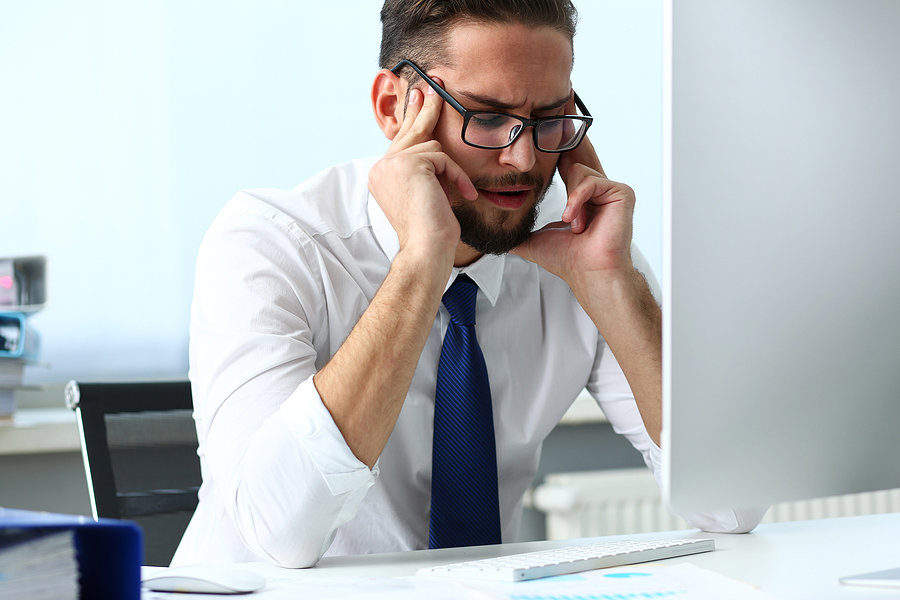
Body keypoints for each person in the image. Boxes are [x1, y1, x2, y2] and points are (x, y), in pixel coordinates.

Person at [172, 0, 765, 568]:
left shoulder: (580, 248)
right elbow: (280, 536)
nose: (525, 159)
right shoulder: (271, 245)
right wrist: (422, 263)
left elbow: (732, 506)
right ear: (392, 107)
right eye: (486, 117)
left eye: (548, 119)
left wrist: (613, 285)